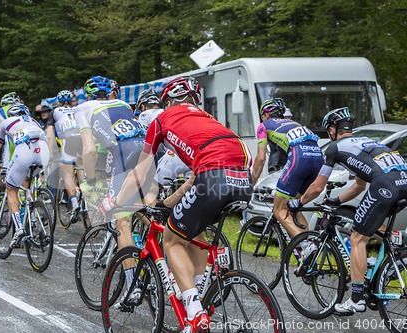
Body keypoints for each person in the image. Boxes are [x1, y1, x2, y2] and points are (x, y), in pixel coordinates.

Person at [102, 76, 253, 333]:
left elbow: (140, 172)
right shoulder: (209, 118)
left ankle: (195, 315)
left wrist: (115, 202)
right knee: (190, 233)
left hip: (212, 177)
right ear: (195, 100)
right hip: (243, 178)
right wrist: (170, 202)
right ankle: (201, 294)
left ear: (168, 102)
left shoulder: (161, 120)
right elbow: (195, 177)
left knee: (171, 240)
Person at [287, 107, 407, 315]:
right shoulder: (365, 142)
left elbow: (317, 187)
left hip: (385, 185)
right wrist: (337, 200)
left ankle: (356, 300)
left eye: (329, 131)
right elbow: (360, 185)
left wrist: (298, 203)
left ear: (333, 130)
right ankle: (397, 258)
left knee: (357, 238)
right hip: (406, 182)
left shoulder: (334, 148)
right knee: (372, 226)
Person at [75, 75, 150, 254]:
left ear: (87, 95)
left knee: (121, 220)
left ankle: (133, 280)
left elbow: (89, 150)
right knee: (143, 203)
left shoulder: (82, 108)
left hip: (123, 152)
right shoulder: (123, 104)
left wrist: (91, 180)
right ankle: (166, 236)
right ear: (109, 93)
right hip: (146, 149)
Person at [0, 103, 49, 248]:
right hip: (43, 153)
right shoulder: (33, 121)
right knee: (27, 184)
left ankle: (19, 229)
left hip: (24, 152)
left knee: (11, 189)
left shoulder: (5, 122)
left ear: (10, 115)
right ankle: (33, 217)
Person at [252, 98, 323, 239]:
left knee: (278, 210)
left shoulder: (264, 125)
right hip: (318, 158)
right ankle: (310, 254)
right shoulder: (295, 124)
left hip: (299, 159)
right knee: (292, 207)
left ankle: (305, 244)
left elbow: (260, 158)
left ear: (265, 115)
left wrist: (251, 184)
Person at [46, 89, 83, 223]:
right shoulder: (79, 109)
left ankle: (74, 203)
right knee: (81, 170)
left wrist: (49, 155)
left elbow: (50, 135)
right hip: (84, 139)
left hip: (69, 140)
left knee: (67, 172)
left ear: (60, 102)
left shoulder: (54, 112)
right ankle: (85, 197)